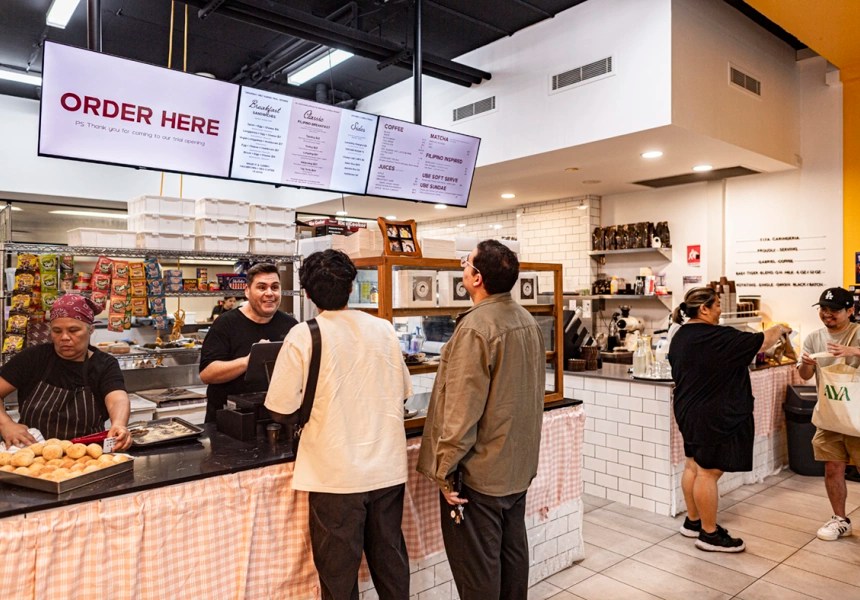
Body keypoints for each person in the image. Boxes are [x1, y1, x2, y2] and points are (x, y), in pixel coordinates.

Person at [265, 249, 412, 600]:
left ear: (308, 294)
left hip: (334, 477)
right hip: (387, 471)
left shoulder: (304, 335)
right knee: (392, 570)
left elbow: (281, 407)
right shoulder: (383, 328)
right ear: (350, 288)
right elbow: (404, 391)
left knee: (339, 579)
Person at [417, 240, 545, 600]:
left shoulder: (476, 329)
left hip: (479, 475)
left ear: (476, 277)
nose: (463, 268)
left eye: (466, 263)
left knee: (478, 574)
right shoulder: (526, 320)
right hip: (516, 467)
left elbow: (461, 411)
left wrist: (443, 472)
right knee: (512, 558)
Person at [669, 287, 788, 553]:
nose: (720, 310)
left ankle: (693, 521)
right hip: (713, 414)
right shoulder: (717, 336)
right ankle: (709, 535)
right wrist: (780, 327)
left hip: (689, 409)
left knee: (694, 465)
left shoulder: (680, 334)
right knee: (709, 472)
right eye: (718, 305)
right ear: (704, 309)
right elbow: (764, 341)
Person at [0, 294, 132, 449]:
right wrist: (6, 424)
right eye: (57, 331)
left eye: (73, 330)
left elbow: (117, 399)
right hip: (34, 454)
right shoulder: (34, 358)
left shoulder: (104, 364)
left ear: (90, 330)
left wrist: (119, 424)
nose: (64, 337)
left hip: (87, 455)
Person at [798, 286, 860, 541]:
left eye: (834, 310)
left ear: (850, 310)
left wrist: (853, 352)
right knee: (833, 467)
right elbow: (804, 376)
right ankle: (840, 519)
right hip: (830, 415)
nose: (827, 314)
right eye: (823, 309)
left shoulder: (857, 334)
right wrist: (805, 364)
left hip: (858, 416)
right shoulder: (814, 338)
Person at [199, 263, 297, 423]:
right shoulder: (226, 324)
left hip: (272, 419)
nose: (269, 293)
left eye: (275, 287)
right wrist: (251, 360)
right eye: (262, 287)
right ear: (247, 291)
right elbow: (207, 374)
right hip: (227, 422)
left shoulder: (291, 325)